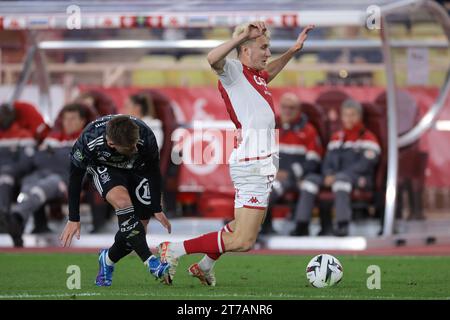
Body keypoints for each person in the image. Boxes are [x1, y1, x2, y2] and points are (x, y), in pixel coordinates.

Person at [157, 21, 314, 286]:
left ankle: (205, 266)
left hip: (261, 163)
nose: (267, 53)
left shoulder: (256, 75)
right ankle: (175, 249)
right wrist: (242, 36)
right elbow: (212, 58)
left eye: (269, 47)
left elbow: (270, 71)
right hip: (252, 162)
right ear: (244, 49)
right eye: (263, 47)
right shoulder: (232, 71)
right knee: (244, 240)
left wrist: (292, 51)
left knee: (239, 228)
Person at [59, 114, 171, 285]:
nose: (135, 148)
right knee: (123, 202)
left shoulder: (145, 135)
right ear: (111, 143)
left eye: (135, 144)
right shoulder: (89, 140)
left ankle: (108, 260)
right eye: (130, 147)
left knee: (137, 229)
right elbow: (75, 177)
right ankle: (151, 262)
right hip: (105, 169)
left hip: (137, 170)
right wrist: (74, 217)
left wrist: (156, 207)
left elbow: (154, 171)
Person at [292, 99, 381, 236]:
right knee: (309, 181)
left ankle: (342, 224)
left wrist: (336, 177)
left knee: (341, 181)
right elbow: (327, 161)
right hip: (334, 176)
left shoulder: (369, 138)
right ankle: (302, 225)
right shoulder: (336, 137)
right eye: (346, 115)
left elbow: (365, 165)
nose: (349, 119)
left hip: (358, 179)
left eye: (353, 115)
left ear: (360, 116)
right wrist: (328, 174)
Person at [5, 104, 89, 247]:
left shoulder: (85, 140)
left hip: (66, 179)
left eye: (73, 119)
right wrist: (60, 156)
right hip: (41, 174)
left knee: (49, 182)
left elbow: (70, 165)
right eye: (65, 119)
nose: (68, 122)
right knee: (28, 181)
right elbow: (38, 159)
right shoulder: (52, 137)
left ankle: (17, 217)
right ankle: (17, 226)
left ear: (82, 121)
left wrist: (53, 155)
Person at [260, 93, 322, 234]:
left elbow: (314, 160)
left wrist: (292, 173)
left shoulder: (308, 130)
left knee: (309, 186)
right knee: (264, 188)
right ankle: (263, 227)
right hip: (276, 176)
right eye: (284, 107)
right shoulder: (271, 127)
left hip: (300, 176)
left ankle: (301, 228)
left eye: (292, 108)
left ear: (299, 109)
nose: (287, 111)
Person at [0, 102, 49, 229]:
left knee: (8, 180)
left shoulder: (23, 134)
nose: (3, 118)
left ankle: (8, 219)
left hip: (20, 175)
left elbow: (27, 162)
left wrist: (9, 170)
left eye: (6, 114)